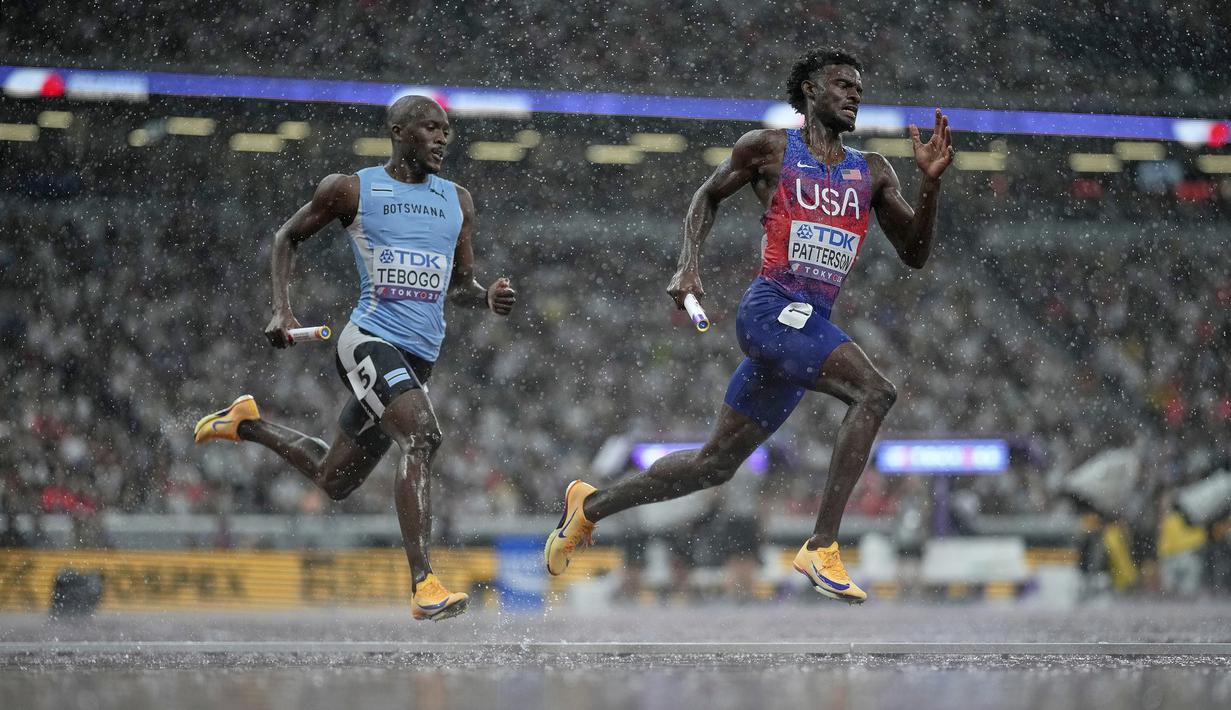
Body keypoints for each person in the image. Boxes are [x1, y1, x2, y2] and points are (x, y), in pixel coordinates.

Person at [545, 49, 954, 604]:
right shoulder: (768, 150)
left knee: (714, 466)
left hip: (806, 325)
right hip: (771, 309)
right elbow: (706, 196)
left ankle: (588, 508)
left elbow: (916, 253)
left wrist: (929, 185)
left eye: (859, 86)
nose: (855, 94)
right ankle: (823, 545)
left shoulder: (873, 172)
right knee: (875, 391)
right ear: (810, 91)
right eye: (842, 84)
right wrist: (688, 263)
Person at [194, 95, 516, 621]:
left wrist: (485, 297)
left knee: (334, 479)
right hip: (368, 339)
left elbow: (458, 286)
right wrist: (282, 309)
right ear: (397, 131)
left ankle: (246, 425)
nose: (442, 138)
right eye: (430, 128)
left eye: (446, 130)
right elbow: (287, 237)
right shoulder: (352, 189)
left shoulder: (458, 200)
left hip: (419, 360)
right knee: (422, 435)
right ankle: (424, 583)